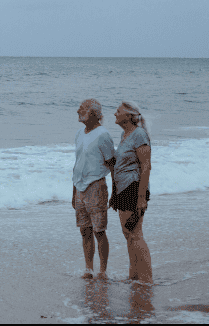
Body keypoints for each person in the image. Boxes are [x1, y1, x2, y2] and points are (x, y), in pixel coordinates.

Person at [72, 99, 116, 280]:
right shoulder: (79, 133)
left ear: (93, 113)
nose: (77, 111)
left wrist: (115, 191)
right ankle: (88, 269)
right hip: (80, 187)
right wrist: (73, 191)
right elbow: (77, 163)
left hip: (96, 185)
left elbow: (112, 164)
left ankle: (103, 271)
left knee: (99, 230)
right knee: (84, 230)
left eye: (82, 109)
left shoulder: (103, 135)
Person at [110, 100, 153, 284]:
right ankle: (134, 276)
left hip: (134, 188)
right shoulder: (124, 134)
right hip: (123, 188)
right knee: (128, 233)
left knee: (135, 234)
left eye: (118, 111)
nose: (114, 114)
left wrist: (141, 198)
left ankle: (146, 279)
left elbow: (146, 166)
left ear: (128, 115)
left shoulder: (139, 134)